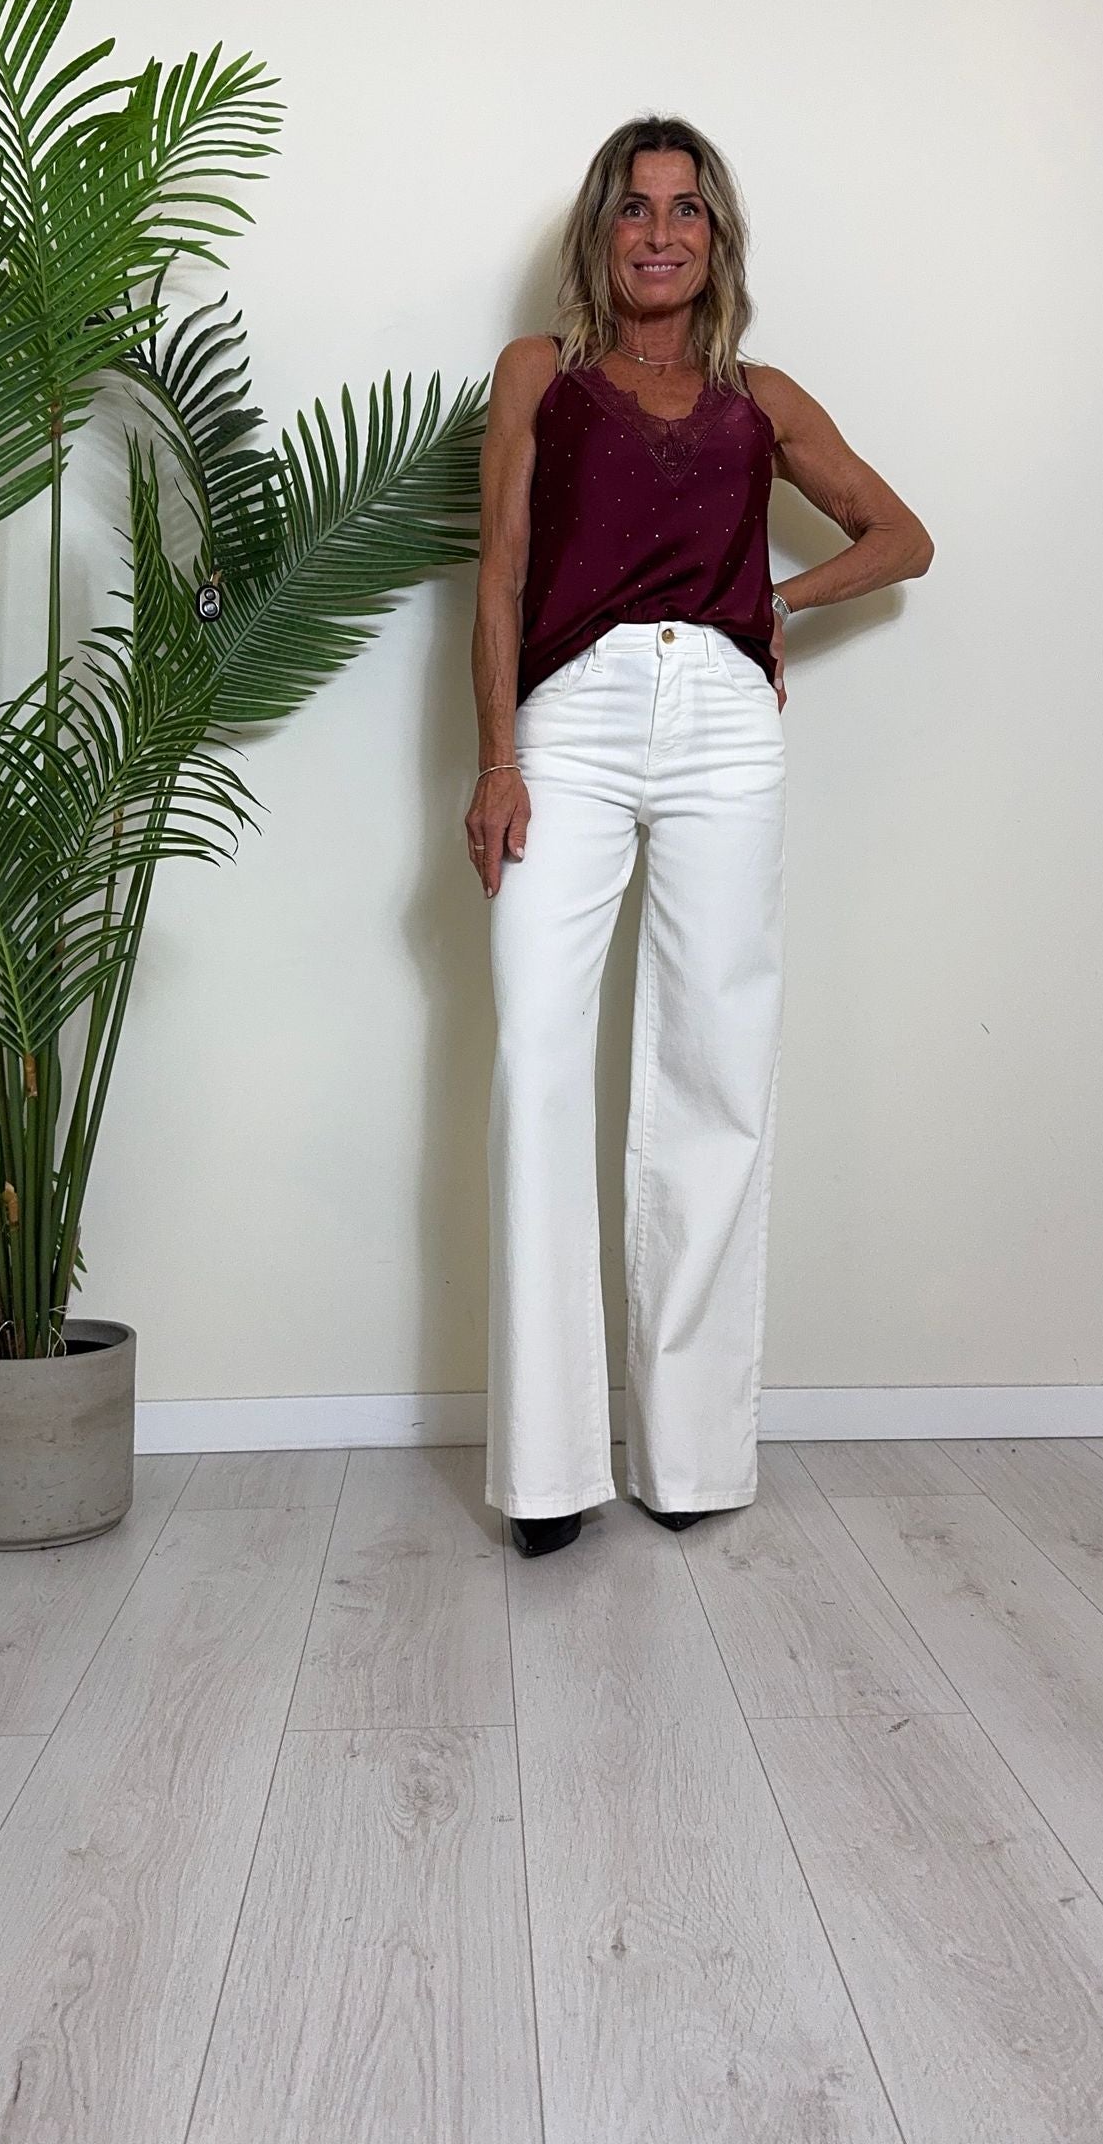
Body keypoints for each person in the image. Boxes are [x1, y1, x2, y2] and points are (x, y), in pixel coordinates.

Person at [467, 115, 933, 1558]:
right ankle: (548, 1470)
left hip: (727, 726)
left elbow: (902, 537)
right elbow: (501, 576)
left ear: (716, 237)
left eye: (686, 210)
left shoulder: (759, 398)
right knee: (540, 1051)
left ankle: (687, 1453)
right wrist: (498, 760)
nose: (660, 233)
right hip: (572, 723)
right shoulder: (540, 376)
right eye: (634, 208)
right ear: (598, 234)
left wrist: (774, 605)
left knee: (713, 1067)